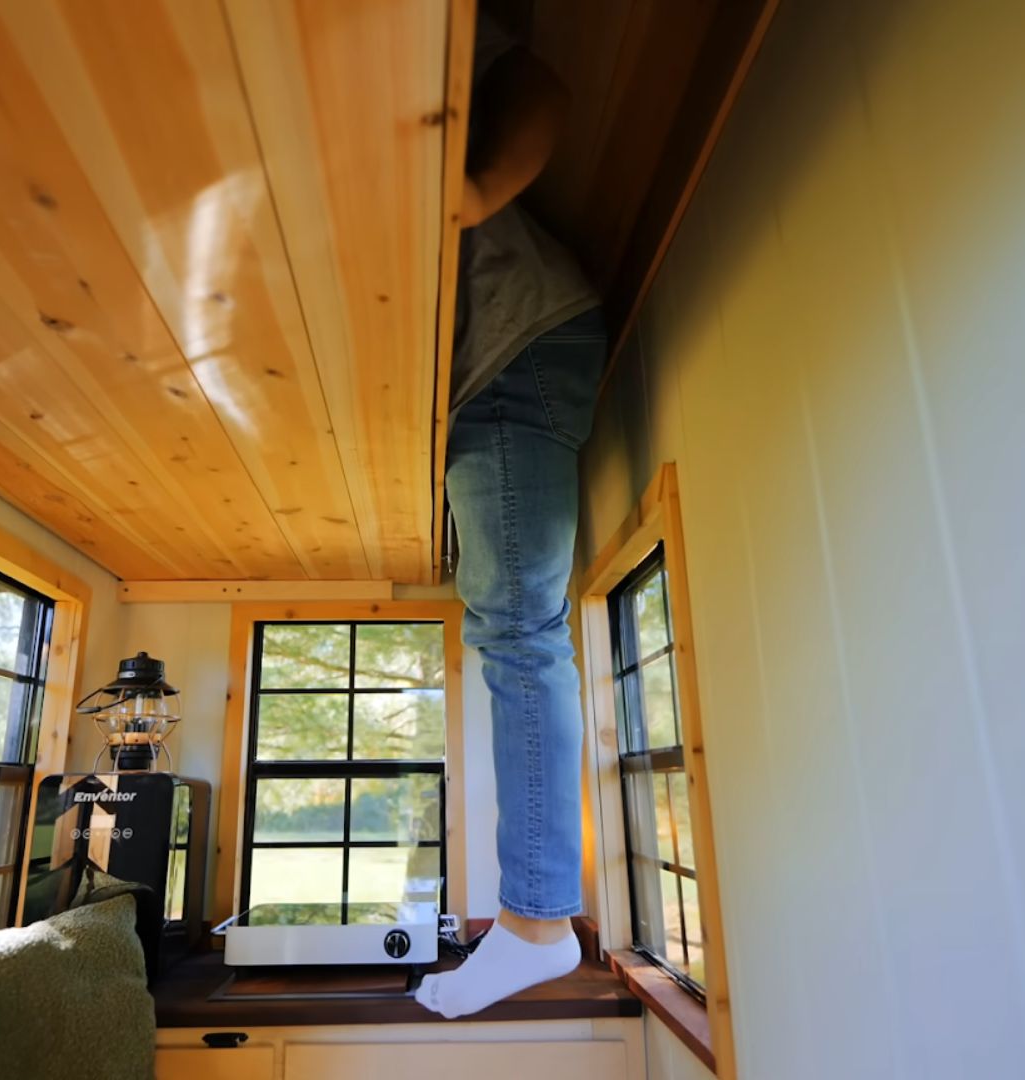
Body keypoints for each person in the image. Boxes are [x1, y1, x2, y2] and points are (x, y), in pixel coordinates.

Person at [416, 18, 605, 1020]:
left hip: (519, 350)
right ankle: (531, 923)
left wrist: (470, 197)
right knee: (509, 630)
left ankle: (536, 926)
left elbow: (536, 78)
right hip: (513, 361)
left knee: (522, 636)